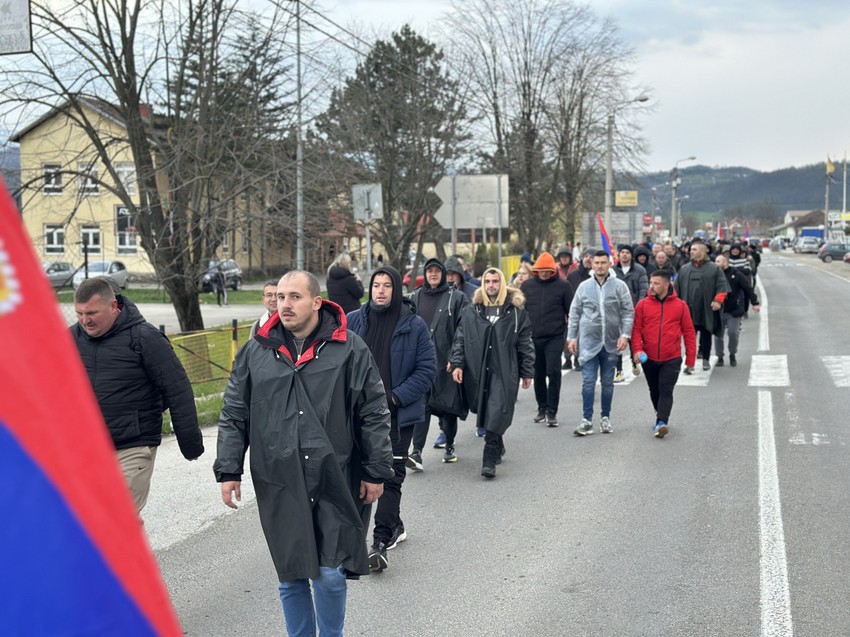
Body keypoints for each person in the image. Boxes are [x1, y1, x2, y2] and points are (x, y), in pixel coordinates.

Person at [215, 270, 393, 637]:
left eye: (294, 297)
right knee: (292, 574)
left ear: (316, 301)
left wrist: (376, 470)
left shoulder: (350, 348)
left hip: (335, 476)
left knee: (329, 574)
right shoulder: (256, 351)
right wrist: (229, 468)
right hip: (278, 479)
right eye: (280, 297)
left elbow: (373, 410)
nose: (285, 305)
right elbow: (235, 412)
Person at [72, 277, 203, 513]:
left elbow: (177, 390)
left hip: (132, 445)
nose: (85, 320)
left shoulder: (145, 339)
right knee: (87, 521)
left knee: (120, 518)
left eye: (91, 313)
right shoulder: (70, 340)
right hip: (85, 449)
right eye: (79, 313)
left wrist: (190, 444)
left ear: (114, 306)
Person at [346, 266, 435, 571]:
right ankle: (393, 522)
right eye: (376, 285)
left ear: (397, 290)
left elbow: (426, 370)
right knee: (360, 471)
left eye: (387, 286)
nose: (381, 290)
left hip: (396, 414)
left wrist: (395, 397)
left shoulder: (414, 324)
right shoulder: (353, 321)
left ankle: (380, 540)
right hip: (358, 414)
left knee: (390, 474)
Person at [450, 267, 534, 479]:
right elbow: (460, 338)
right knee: (487, 409)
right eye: (487, 281)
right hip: (477, 369)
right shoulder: (472, 311)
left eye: (495, 281)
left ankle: (488, 457)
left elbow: (525, 343)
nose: (491, 286)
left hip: (505, 370)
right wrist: (457, 363)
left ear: (503, 283)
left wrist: (527, 372)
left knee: (497, 407)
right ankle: (498, 442)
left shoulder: (515, 312)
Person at [409, 258, 470, 468]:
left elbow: (463, 330)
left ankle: (450, 444)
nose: (433, 274)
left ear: (443, 274)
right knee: (421, 407)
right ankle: (416, 452)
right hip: (421, 363)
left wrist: (457, 358)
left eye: (437, 271)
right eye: (429, 271)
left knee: (448, 408)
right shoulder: (415, 297)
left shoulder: (457, 298)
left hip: (446, 362)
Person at [567, 251, 634, 436]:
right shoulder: (583, 287)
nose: (599, 266)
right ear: (592, 265)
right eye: (596, 263)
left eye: (603, 263)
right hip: (589, 342)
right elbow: (574, 313)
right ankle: (586, 420)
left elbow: (628, 311)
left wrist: (625, 335)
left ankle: (605, 418)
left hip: (611, 343)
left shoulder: (619, 286)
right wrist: (572, 337)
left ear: (610, 264)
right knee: (588, 382)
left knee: (607, 382)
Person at [631, 270, 697, 438]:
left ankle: (662, 422)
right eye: (651, 283)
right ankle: (659, 415)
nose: (651, 286)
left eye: (656, 283)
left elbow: (689, 332)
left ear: (667, 285)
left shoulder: (680, 306)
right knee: (654, 390)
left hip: (672, 357)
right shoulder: (643, 305)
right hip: (649, 357)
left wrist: (691, 358)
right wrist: (637, 350)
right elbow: (636, 330)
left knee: (666, 390)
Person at [521, 252, 574, 427]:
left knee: (553, 371)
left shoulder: (563, 286)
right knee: (538, 373)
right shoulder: (527, 286)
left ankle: (552, 411)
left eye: (547, 270)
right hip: (533, 336)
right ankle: (541, 407)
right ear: (536, 270)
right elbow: (521, 312)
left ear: (553, 270)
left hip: (555, 336)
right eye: (541, 270)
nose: (544, 273)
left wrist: (571, 336)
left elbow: (571, 312)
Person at [674, 239, 730, 371]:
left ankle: (705, 359)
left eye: (695, 249)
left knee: (706, 335)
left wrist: (718, 301)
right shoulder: (684, 269)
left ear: (704, 252)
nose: (691, 252)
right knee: (689, 337)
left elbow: (722, 287)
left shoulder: (714, 268)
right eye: (691, 249)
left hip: (707, 310)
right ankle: (690, 362)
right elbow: (676, 289)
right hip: (688, 310)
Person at [714, 255, 760, 367]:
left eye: (718, 261)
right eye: (715, 261)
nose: (715, 263)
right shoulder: (713, 275)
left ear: (726, 263)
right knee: (718, 335)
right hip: (717, 310)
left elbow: (747, 289)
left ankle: (732, 353)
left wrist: (755, 303)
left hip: (733, 310)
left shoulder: (736, 275)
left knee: (733, 332)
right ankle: (720, 357)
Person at [613, 244, 648, 382]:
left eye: (627, 252)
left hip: (633, 309)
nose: (625, 255)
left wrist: (639, 307)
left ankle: (634, 360)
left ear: (631, 255)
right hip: (615, 311)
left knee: (633, 338)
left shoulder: (639, 270)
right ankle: (618, 370)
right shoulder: (613, 271)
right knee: (617, 340)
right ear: (619, 254)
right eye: (622, 252)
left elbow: (643, 289)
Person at [565, 248, 595, 370]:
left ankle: (580, 359)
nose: (588, 259)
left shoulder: (597, 276)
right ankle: (569, 358)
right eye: (586, 256)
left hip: (592, 313)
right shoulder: (573, 276)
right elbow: (567, 294)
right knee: (572, 334)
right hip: (575, 311)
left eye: (591, 256)